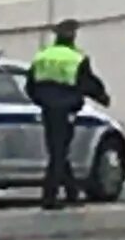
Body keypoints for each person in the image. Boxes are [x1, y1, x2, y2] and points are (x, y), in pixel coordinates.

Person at [27, 19, 110, 210]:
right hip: (66, 109)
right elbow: (87, 82)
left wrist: (41, 101)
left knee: (58, 149)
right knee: (59, 152)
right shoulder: (77, 58)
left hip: (48, 109)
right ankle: (50, 196)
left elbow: (30, 85)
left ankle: (71, 191)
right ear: (72, 37)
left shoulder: (42, 56)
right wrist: (103, 97)